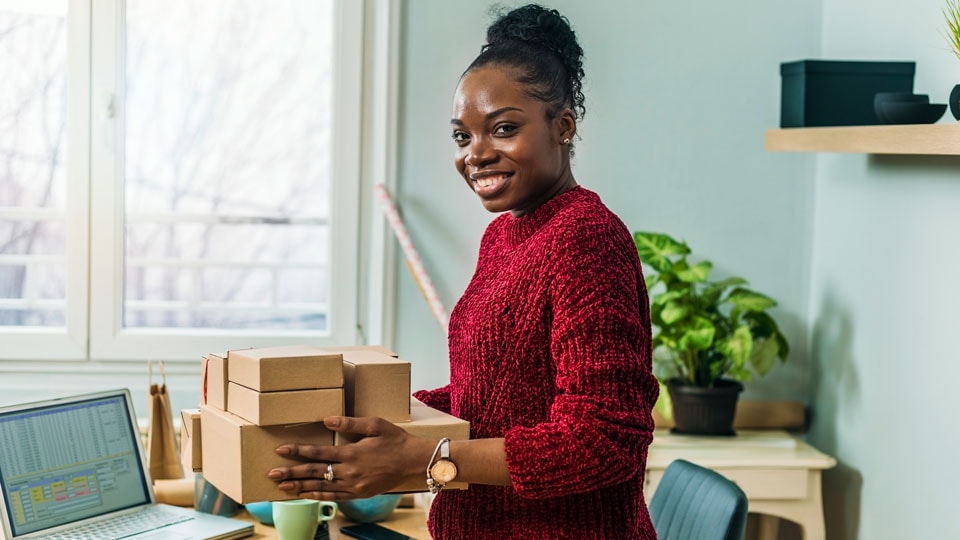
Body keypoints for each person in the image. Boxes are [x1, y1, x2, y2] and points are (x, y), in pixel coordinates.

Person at [268, 4, 659, 538]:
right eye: (462, 136)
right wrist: (380, 418)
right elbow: (496, 395)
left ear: (563, 126)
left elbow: (603, 440)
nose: (476, 155)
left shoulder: (585, 237)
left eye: (503, 129)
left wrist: (424, 457)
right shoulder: (505, 234)